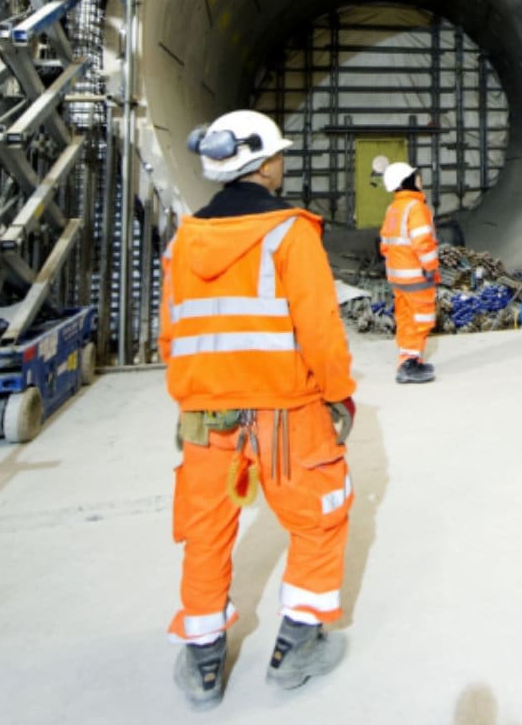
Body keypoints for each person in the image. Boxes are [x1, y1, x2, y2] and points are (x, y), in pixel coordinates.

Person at [161, 109, 356, 709]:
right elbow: (319, 328)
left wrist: (194, 397)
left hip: (204, 417)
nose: (282, 164)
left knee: (206, 534)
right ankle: (296, 648)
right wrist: (337, 394)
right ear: (265, 165)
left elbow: (172, 335)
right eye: (279, 156)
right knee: (319, 517)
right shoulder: (289, 234)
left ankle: (202, 663)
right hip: (285, 414)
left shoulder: (185, 238)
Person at [379, 161, 439, 384]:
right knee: (420, 320)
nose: (420, 180)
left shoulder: (393, 209)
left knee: (405, 319)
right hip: (416, 275)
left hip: (397, 277)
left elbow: (384, 244)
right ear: (409, 181)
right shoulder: (416, 208)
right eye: (416, 176)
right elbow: (423, 243)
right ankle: (410, 364)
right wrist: (431, 268)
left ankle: (406, 357)